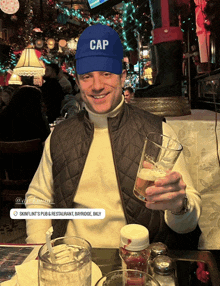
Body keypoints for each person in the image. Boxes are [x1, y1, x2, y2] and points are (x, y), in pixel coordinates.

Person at [25, 24, 201, 249]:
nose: (97, 86)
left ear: (122, 77)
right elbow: (38, 198)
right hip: (71, 259)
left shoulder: (159, 131)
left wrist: (179, 206)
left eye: (106, 74)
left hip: (137, 261)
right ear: (77, 82)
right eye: (87, 76)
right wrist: (41, 251)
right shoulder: (59, 135)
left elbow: (186, 224)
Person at [0, 85, 50, 179]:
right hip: (35, 176)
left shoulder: (3, 118)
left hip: (8, 175)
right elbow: (47, 140)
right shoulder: (37, 120)